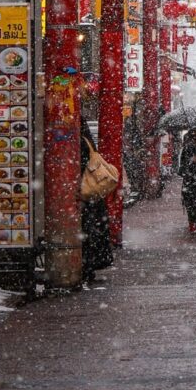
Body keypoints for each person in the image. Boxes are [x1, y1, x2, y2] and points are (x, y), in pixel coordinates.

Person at [80, 117, 115, 282]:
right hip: (93, 194)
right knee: (92, 231)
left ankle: (87, 266)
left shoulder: (78, 142)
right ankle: (91, 265)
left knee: (86, 232)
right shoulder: (87, 141)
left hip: (85, 192)